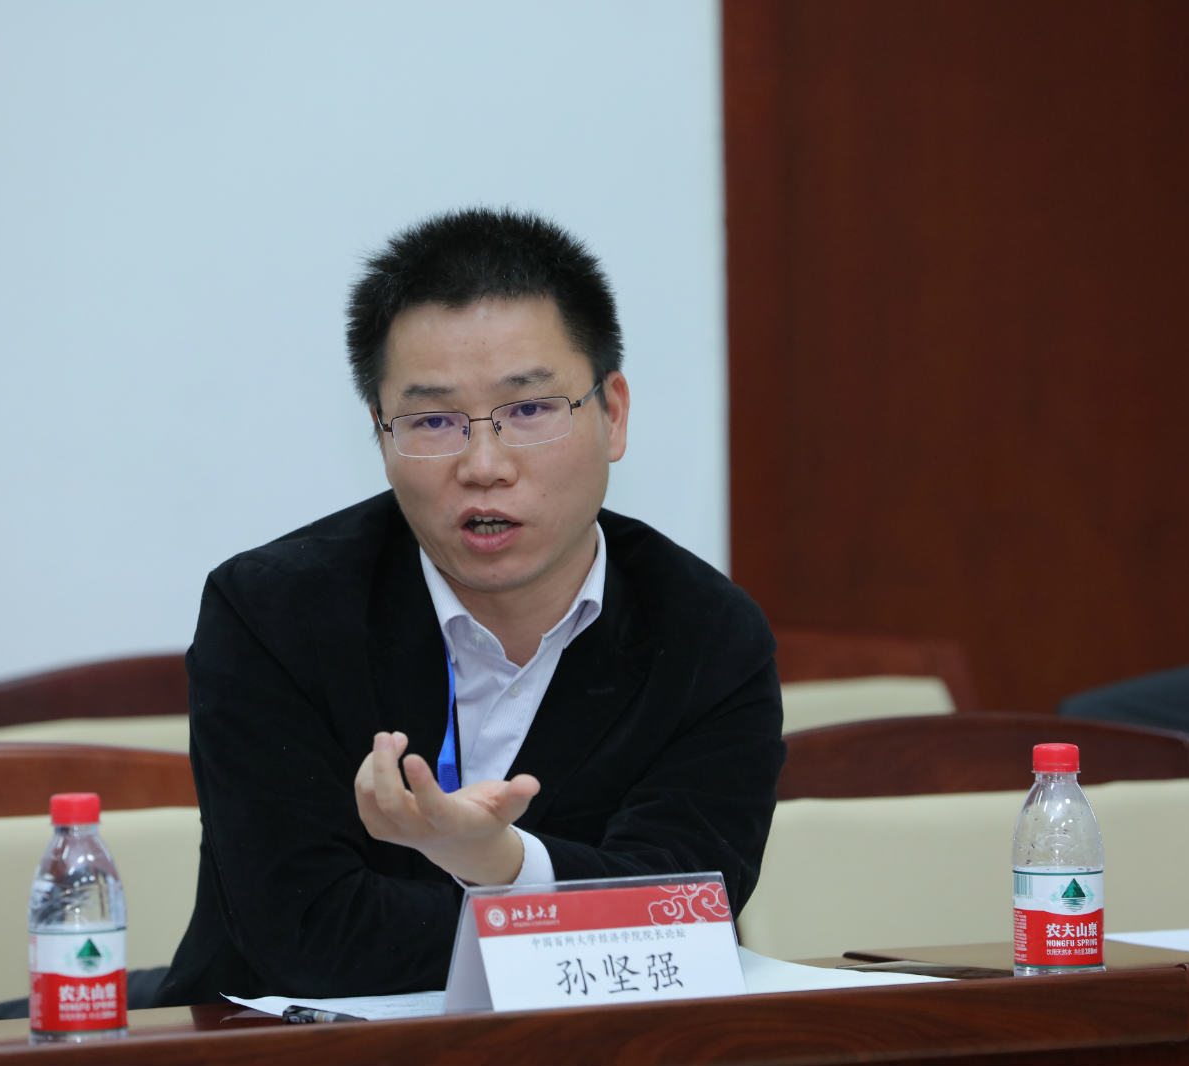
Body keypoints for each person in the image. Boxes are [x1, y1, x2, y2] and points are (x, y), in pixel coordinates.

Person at [156, 208, 784, 1004]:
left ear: (613, 413)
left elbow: (681, 912)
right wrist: (558, 906)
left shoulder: (707, 635)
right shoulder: (273, 615)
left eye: (529, 409)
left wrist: (506, 867)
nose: (484, 465)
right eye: (433, 421)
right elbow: (305, 933)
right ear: (381, 434)